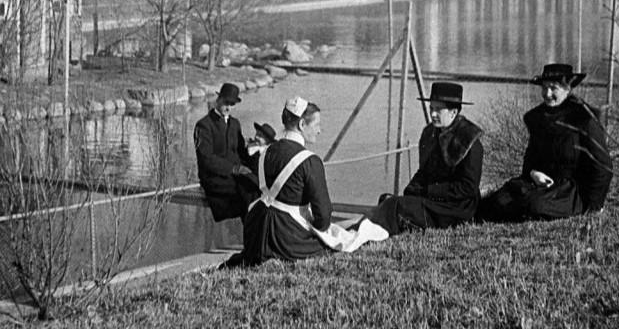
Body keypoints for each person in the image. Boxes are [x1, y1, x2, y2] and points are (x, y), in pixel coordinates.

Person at [240, 96, 387, 266]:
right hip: (285, 237)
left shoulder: (265, 152)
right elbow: (323, 215)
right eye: (316, 125)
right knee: (342, 241)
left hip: (256, 230)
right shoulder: (310, 161)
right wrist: (316, 229)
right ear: (302, 125)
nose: (319, 130)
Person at [479, 63, 613, 222]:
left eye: (553, 88)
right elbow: (529, 162)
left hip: (571, 191)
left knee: (535, 205)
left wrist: (594, 206)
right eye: (544, 88)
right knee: (497, 201)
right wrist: (534, 174)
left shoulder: (584, 118)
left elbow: (603, 167)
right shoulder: (537, 118)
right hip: (538, 184)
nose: (547, 94)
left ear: (567, 89)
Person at [367, 82, 484, 235]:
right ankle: (367, 232)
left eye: (438, 110)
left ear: (453, 112)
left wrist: (429, 191)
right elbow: (425, 171)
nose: (433, 114)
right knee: (388, 201)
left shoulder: (469, 140)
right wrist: (412, 189)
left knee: (397, 206)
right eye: (431, 109)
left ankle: (371, 234)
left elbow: (468, 188)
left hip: (457, 209)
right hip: (434, 201)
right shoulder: (431, 133)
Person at [195, 83, 256, 223]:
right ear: (218, 99)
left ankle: (253, 237)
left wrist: (258, 151)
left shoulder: (235, 124)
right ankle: (251, 237)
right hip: (214, 177)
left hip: (234, 176)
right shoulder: (204, 125)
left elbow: (241, 152)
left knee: (257, 189)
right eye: (226, 103)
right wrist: (234, 168)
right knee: (246, 195)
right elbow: (206, 159)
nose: (228, 107)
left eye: (232, 104)